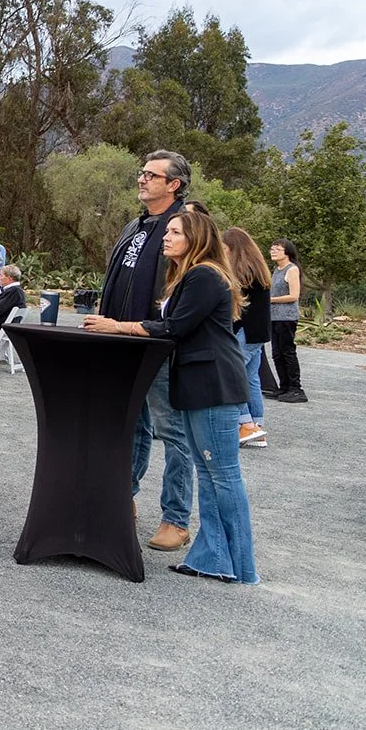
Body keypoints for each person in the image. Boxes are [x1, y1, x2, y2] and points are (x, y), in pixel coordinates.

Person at [84, 210, 259, 585]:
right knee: (210, 475)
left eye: (175, 232)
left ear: (195, 239)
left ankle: (241, 565)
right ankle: (213, 558)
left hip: (213, 387)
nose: (166, 237)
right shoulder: (188, 276)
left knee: (223, 475)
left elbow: (174, 328)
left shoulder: (204, 275)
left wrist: (118, 326)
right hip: (198, 387)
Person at [87, 149, 195, 553]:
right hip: (121, 342)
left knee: (173, 432)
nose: (142, 179)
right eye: (142, 173)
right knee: (130, 426)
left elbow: (187, 286)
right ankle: (122, 498)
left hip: (161, 346)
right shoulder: (136, 225)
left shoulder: (186, 226)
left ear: (174, 185)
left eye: (152, 175)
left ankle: (176, 519)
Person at [223, 227, 272, 447]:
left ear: (234, 248)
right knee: (252, 379)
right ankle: (257, 427)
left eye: (224, 249)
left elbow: (237, 307)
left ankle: (246, 424)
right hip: (258, 333)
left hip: (244, 332)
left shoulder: (240, 272)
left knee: (233, 375)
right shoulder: (259, 269)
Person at [269, 238, 306, 403]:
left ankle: (296, 389)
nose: (273, 251)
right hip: (274, 317)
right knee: (277, 354)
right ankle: (283, 386)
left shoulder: (292, 270)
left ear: (287, 252)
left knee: (288, 352)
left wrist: (270, 300)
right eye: (272, 248)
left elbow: (293, 296)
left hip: (286, 317)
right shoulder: (276, 270)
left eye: (277, 248)